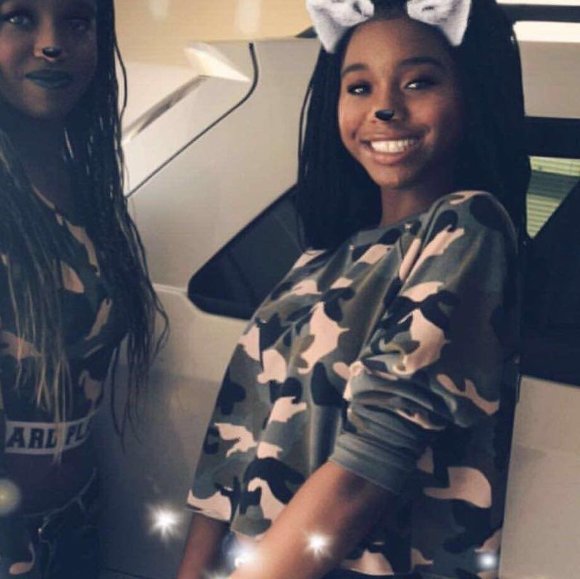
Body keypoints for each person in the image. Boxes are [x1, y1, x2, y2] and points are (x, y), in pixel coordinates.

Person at [177, 0, 530, 577]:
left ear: (469, 94)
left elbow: (364, 472)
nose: (385, 107)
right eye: (359, 87)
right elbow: (225, 453)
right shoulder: (321, 258)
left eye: (418, 82)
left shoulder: (470, 226)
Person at [0, 1, 166, 577]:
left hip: (74, 524)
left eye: (76, 22)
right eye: (19, 17)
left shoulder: (85, 183)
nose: (52, 44)